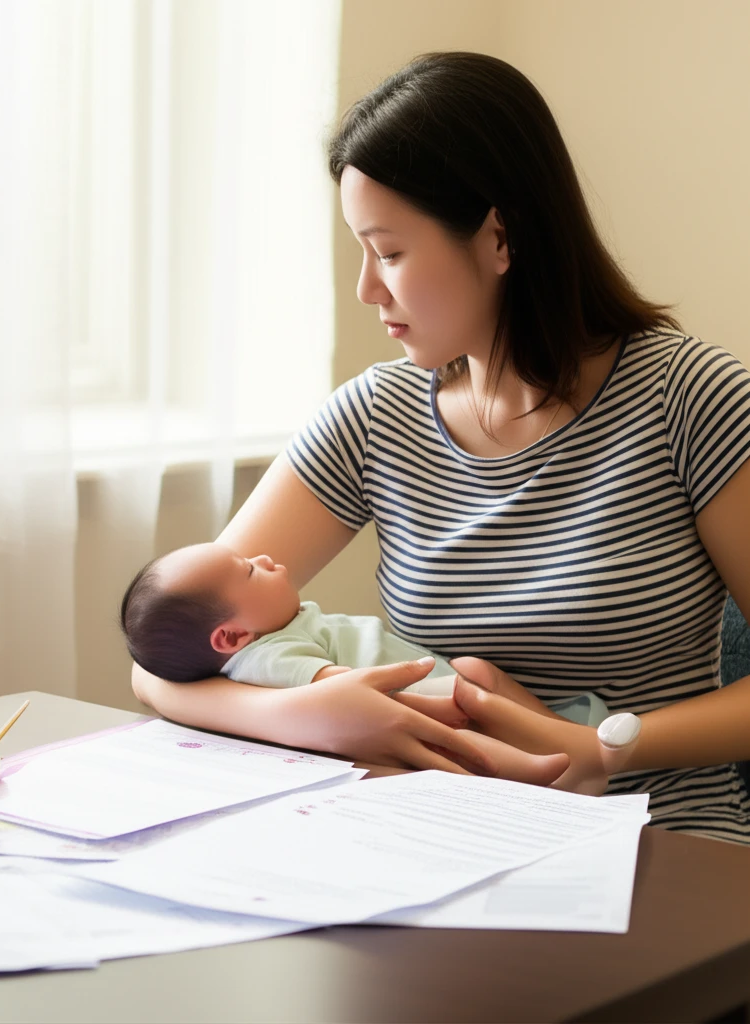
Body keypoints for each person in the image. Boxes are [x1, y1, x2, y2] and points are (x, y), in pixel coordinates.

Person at [132, 52, 750, 843]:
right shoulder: (375, 416)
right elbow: (166, 654)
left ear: (499, 237)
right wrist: (309, 712)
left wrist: (600, 750)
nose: (367, 288)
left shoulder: (689, 399)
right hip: (441, 836)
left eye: (388, 251)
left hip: (659, 836)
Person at [121, 541, 634, 791]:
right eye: (250, 571)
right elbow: (332, 691)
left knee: (480, 676)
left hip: (421, 687)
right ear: (231, 636)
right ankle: (535, 769)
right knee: (467, 700)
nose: (264, 558)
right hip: (409, 702)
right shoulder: (268, 655)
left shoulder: (269, 630)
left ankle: (563, 735)